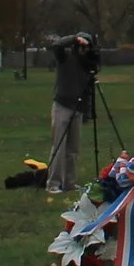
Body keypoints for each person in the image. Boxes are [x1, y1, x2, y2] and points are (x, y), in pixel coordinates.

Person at [47, 33, 99, 196]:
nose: (84, 49)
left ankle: (70, 182)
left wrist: (87, 113)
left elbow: (89, 88)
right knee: (59, 147)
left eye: (87, 46)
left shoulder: (87, 64)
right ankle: (53, 183)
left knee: (73, 149)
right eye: (81, 46)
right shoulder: (65, 56)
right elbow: (57, 45)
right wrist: (74, 38)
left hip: (78, 108)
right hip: (62, 105)